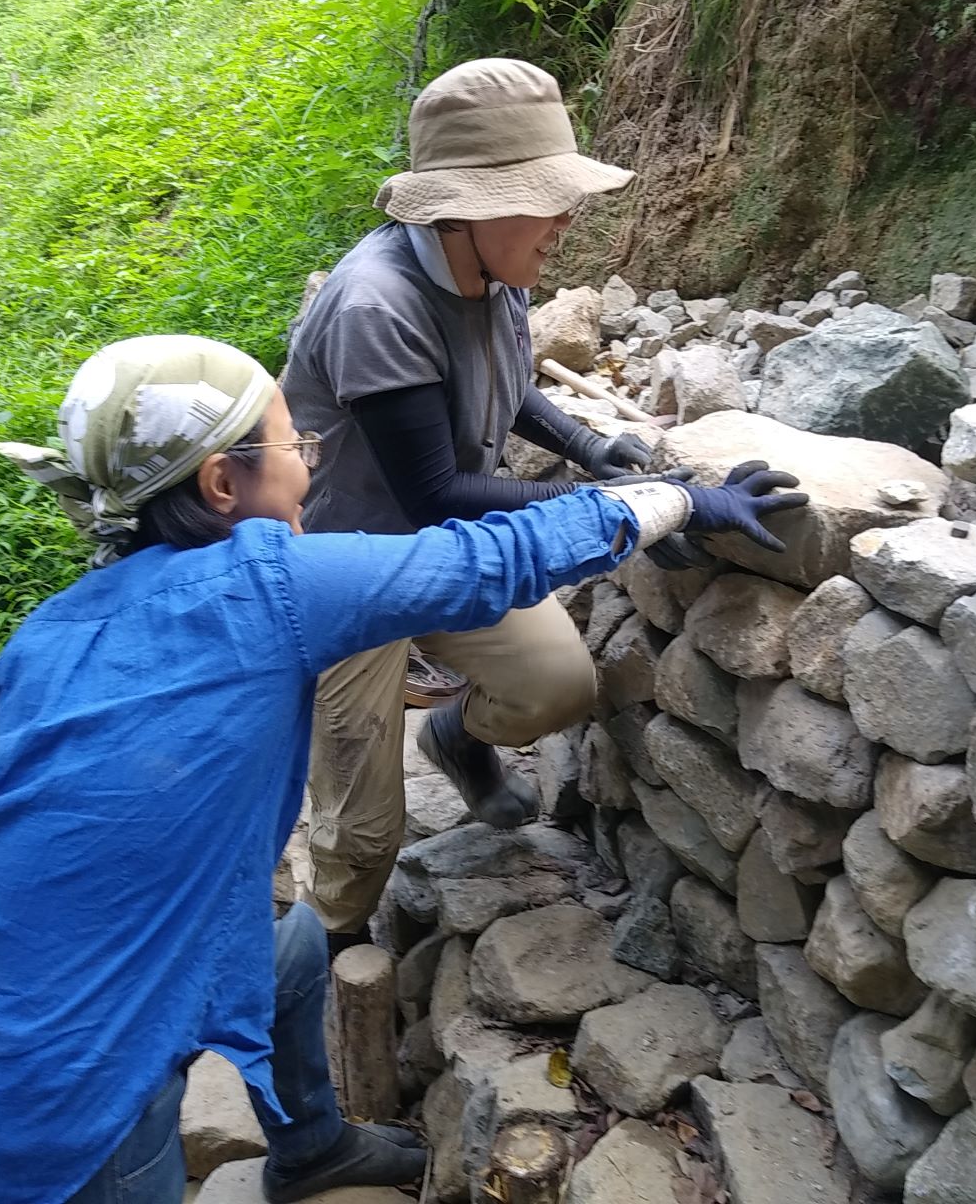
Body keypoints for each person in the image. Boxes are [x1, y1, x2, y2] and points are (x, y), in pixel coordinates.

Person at [0, 334, 805, 1204]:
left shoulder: (44, 638)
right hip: (65, 1085)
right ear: (222, 484)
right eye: (293, 446)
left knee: (294, 951)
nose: (309, 465)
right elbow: (490, 560)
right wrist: (679, 501)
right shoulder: (262, 586)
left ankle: (310, 1150)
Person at [284, 58, 708, 950]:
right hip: (349, 570)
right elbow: (435, 491)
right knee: (361, 829)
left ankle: (455, 736)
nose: (566, 219)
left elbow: (506, 385)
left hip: (447, 549)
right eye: (546, 199)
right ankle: (325, 959)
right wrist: (605, 500)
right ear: (465, 208)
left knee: (556, 687)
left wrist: (588, 445)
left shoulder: (494, 267)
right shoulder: (377, 305)